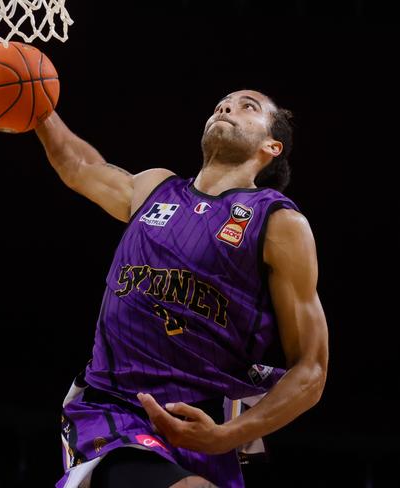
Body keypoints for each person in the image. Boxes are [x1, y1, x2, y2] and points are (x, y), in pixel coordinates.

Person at [35, 90, 329, 488]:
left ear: (271, 146)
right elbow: (80, 166)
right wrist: (40, 111)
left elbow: (311, 369)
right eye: (222, 103)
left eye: (248, 107)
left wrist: (227, 435)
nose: (227, 108)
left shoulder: (278, 224)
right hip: (113, 409)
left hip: (203, 425)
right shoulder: (155, 189)